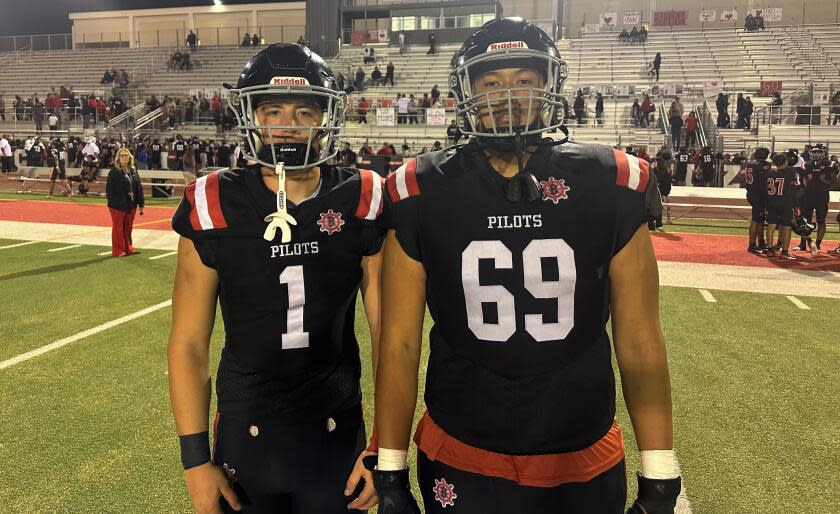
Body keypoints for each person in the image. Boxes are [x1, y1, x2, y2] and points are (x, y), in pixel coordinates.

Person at [372, 17, 681, 514]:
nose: (507, 96)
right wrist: (390, 470)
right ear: (465, 91)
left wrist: (661, 475)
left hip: (578, 447)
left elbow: (641, 339)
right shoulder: (420, 189)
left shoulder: (610, 182)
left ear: (550, 87)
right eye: (490, 83)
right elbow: (400, 342)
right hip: (462, 444)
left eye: (524, 81)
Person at [168, 43, 385, 514]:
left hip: (336, 433)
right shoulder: (213, 202)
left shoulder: (362, 196)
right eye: (272, 110)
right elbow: (188, 342)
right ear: (251, 115)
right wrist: (193, 460)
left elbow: (391, 337)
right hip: (246, 437)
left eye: (305, 110)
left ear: (326, 118)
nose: (288, 123)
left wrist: (386, 448)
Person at [798, 144, 838, 253]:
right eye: (814, 152)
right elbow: (803, 182)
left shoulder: (831, 164)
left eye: (818, 152)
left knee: (821, 221)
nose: (816, 154)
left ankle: (818, 244)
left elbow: (831, 182)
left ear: (823, 153)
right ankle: (802, 244)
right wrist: (810, 179)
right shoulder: (806, 164)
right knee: (805, 221)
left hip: (822, 197)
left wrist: (822, 179)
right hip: (808, 197)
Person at [106, 147, 144, 257]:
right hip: (117, 205)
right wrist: (115, 203)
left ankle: (128, 248)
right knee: (118, 228)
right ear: (118, 158)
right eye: (122, 155)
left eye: (126, 155)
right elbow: (109, 191)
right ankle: (118, 250)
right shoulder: (114, 172)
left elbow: (139, 187)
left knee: (128, 227)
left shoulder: (133, 170)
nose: (124, 157)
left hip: (131, 204)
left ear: (129, 157)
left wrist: (141, 203)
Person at [764, 153, 797, 259]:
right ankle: (785, 252)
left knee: (771, 225)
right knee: (787, 226)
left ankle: (769, 250)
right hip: (785, 202)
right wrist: (796, 205)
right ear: (786, 162)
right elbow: (792, 189)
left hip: (771, 201)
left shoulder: (769, 172)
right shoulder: (790, 171)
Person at [743, 147, 771, 253]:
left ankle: (760, 241)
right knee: (756, 219)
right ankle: (752, 244)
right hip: (759, 194)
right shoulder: (764, 165)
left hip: (751, 192)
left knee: (760, 219)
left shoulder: (750, 164)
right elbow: (765, 181)